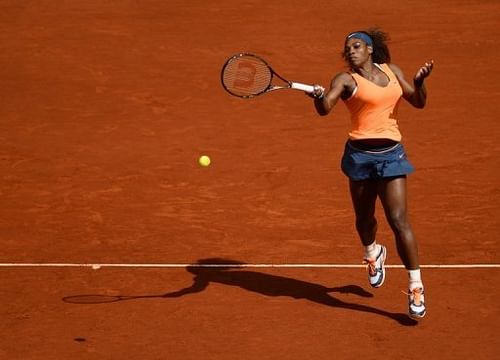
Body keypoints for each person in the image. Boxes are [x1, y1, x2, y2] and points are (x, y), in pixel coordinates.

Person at [310, 28, 433, 319]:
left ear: (369, 50)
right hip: (359, 157)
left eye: (356, 46)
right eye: (347, 48)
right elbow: (325, 108)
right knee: (364, 220)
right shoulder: (344, 80)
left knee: (399, 220)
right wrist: (317, 96)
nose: (350, 51)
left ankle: (416, 285)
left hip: (392, 156)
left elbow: (419, 101)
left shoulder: (392, 72)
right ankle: (372, 252)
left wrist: (418, 82)